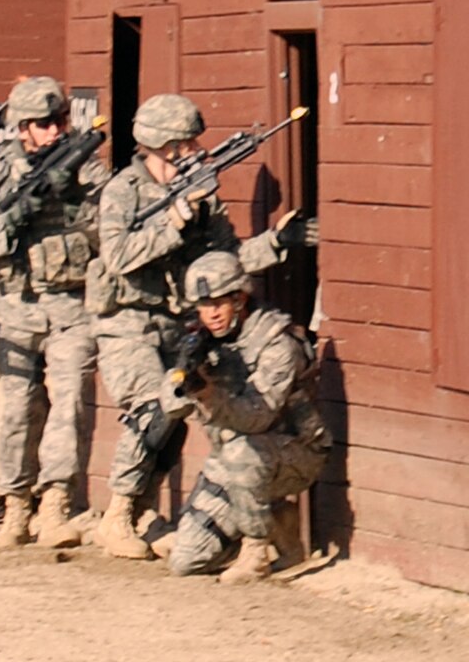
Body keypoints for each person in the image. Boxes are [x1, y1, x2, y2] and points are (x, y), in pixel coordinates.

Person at [87, 93, 312, 560]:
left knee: (183, 412)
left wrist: (276, 242)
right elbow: (118, 256)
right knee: (153, 409)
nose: (193, 153)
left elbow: (223, 263)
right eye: (184, 145)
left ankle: (151, 514)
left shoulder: (201, 197)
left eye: (194, 144)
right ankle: (118, 515)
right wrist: (172, 221)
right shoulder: (123, 191)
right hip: (127, 321)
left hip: (178, 320)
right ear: (160, 146)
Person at [0, 77, 102, 549]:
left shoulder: (86, 169)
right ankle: (17, 502)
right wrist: (14, 218)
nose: (53, 132)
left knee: (70, 401)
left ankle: (55, 501)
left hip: (71, 307)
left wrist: (76, 202)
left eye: (57, 121)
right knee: (19, 409)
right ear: (21, 129)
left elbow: (110, 231)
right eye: (41, 124)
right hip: (15, 309)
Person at [163, 250, 333, 582]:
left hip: (296, 452)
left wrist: (210, 395)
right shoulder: (204, 339)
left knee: (242, 450)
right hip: (233, 460)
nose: (211, 314)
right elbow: (170, 405)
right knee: (186, 560)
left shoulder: (275, 344)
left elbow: (259, 418)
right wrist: (187, 373)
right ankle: (278, 519)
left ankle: (256, 552)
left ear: (240, 299)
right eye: (204, 305)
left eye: (219, 303)